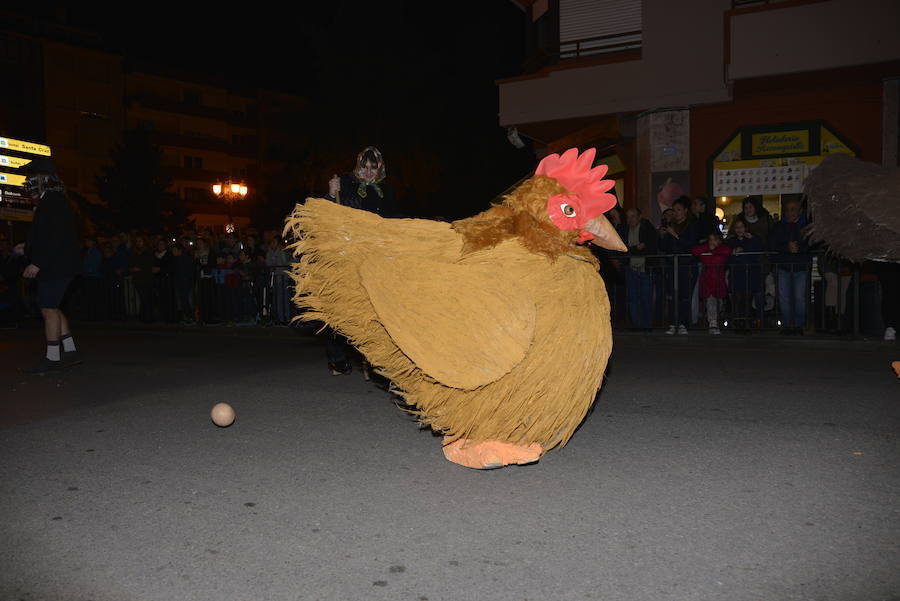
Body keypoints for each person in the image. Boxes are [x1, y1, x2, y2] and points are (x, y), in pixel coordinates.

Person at [322, 146, 397, 376]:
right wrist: (328, 193)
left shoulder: (387, 190)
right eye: (364, 166)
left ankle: (372, 361)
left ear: (380, 168)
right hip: (347, 256)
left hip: (375, 259)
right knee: (340, 310)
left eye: (373, 168)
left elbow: (396, 223)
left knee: (374, 312)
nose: (367, 172)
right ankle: (337, 358)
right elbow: (323, 213)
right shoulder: (343, 182)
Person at [21, 157, 83, 373]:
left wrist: (37, 263)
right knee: (53, 307)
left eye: (31, 177)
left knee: (48, 308)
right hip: (59, 265)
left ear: (44, 179)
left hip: (55, 266)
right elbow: (46, 235)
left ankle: (53, 358)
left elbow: (55, 238)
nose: (28, 182)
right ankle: (71, 351)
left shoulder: (52, 201)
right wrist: (26, 247)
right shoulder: (53, 200)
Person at [770, 199, 812, 335]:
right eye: (788, 209)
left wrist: (799, 248)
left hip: (800, 266)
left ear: (800, 211)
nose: (790, 212)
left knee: (799, 298)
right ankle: (787, 325)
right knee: (784, 297)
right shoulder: (778, 227)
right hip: (783, 266)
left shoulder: (806, 226)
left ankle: (798, 326)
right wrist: (786, 247)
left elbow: (812, 244)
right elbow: (771, 244)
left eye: (793, 209)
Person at [658, 197, 699, 334]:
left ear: (686, 211)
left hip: (686, 266)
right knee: (672, 295)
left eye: (678, 210)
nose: (676, 213)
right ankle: (672, 323)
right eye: (674, 210)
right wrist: (663, 236)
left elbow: (691, 245)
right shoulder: (671, 226)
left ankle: (683, 323)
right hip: (672, 265)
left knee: (684, 295)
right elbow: (664, 247)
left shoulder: (692, 226)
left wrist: (675, 235)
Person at [616, 207, 657, 331]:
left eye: (633, 216)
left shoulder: (647, 228)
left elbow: (648, 246)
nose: (630, 219)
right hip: (631, 268)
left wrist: (633, 249)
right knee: (633, 298)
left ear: (639, 217)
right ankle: (637, 324)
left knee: (645, 298)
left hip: (644, 268)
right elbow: (625, 249)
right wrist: (635, 248)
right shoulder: (624, 229)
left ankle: (647, 325)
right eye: (628, 217)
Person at [725, 216, 764, 333]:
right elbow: (727, 257)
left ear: (746, 228)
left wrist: (750, 241)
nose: (739, 229)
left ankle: (746, 324)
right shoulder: (731, 241)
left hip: (749, 274)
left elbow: (757, 252)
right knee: (736, 299)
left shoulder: (753, 239)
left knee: (747, 299)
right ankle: (737, 323)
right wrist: (734, 253)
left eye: (741, 227)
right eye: (737, 227)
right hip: (736, 274)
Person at [692, 230, 732, 334]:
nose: (712, 242)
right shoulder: (705, 249)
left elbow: (727, 251)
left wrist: (712, 251)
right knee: (711, 302)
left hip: (719, 280)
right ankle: (713, 324)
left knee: (719, 303)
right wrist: (708, 248)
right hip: (708, 281)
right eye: (710, 240)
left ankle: (716, 321)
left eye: (714, 240)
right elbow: (695, 251)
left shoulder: (723, 249)